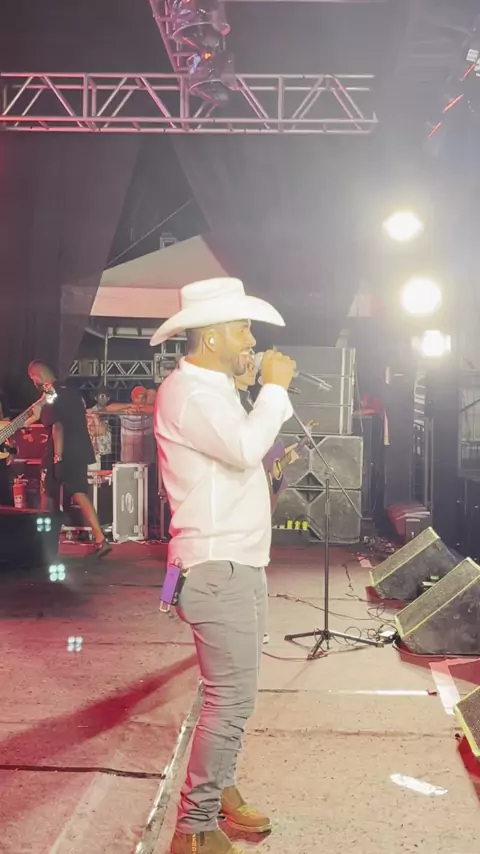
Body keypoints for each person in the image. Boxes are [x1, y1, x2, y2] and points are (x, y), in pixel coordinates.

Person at [151, 277, 296, 854]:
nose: (252, 340)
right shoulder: (189, 393)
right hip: (216, 568)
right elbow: (241, 448)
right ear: (211, 338)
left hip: (238, 564)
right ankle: (195, 828)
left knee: (237, 696)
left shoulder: (212, 389)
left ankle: (220, 788)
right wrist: (273, 389)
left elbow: (240, 456)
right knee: (229, 699)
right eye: (242, 328)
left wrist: (255, 393)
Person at [27, 361, 111, 558]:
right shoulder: (72, 392)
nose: (33, 382)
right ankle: (100, 539)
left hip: (61, 451)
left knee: (48, 495)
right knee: (80, 492)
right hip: (80, 450)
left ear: (37, 376)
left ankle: (47, 544)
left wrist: (57, 457)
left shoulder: (51, 395)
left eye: (32, 378)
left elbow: (57, 427)